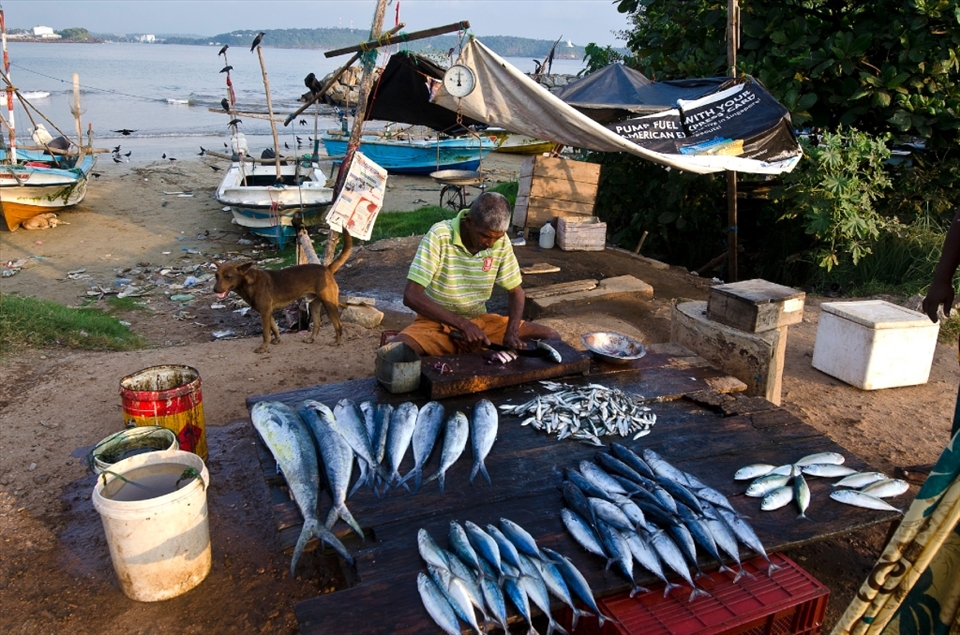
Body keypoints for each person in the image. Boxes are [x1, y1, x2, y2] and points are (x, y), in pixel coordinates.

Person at [392, 191, 559, 357]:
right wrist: (463, 325)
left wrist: (512, 332)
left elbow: (516, 291)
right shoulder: (439, 235)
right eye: (485, 236)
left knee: (551, 337)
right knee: (396, 352)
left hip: (480, 323)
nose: (490, 244)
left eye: (497, 238)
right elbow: (411, 295)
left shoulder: (501, 242)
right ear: (469, 222)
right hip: (436, 323)